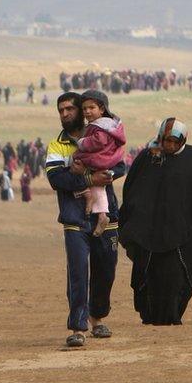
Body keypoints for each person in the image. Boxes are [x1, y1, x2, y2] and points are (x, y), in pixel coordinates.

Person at [46, 92, 124, 348]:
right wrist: (90, 180)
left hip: (106, 214)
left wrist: (108, 173)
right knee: (78, 273)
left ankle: (97, 318)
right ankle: (78, 327)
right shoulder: (57, 145)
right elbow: (57, 179)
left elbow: (121, 164)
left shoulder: (101, 135)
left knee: (106, 270)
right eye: (61, 110)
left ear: (81, 110)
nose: (65, 114)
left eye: (70, 109)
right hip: (74, 218)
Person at [119, 118, 192, 325]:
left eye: (174, 141)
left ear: (183, 140)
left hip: (184, 230)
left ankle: (173, 315)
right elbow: (132, 189)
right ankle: (150, 316)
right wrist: (132, 220)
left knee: (178, 276)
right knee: (150, 276)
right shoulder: (148, 157)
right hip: (149, 230)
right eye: (166, 140)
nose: (169, 146)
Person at [73, 90, 126, 237]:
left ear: (102, 109)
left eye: (91, 108)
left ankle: (101, 213)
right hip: (99, 160)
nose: (87, 111)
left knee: (95, 182)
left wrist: (83, 143)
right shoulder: (99, 125)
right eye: (84, 109)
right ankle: (91, 201)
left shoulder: (102, 126)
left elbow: (120, 167)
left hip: (100, 160)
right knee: (91, 180)